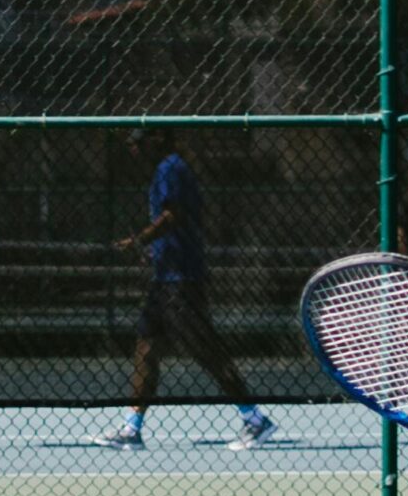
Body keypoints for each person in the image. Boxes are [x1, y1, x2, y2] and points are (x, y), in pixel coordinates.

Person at [93, 128, 275, 451]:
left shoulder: (171, 168)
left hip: (182, 281)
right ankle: (131, 428)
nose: (133, 150)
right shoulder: (165, 170)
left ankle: (255, 419)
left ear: (155, 141)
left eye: (138, 143)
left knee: (206, 352)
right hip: (163, 280)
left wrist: (139, 241)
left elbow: (172, 216)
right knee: (146, 349)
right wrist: (153, 252)